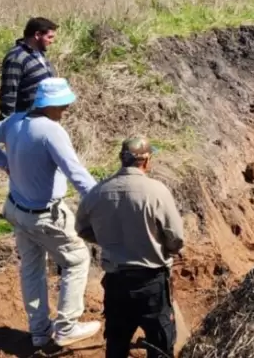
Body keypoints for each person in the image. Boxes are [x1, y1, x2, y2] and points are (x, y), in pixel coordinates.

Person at [0, 77, 101, 348]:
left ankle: (40, 332)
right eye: (62, 105)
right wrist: (104, 202)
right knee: (77, 259)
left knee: (32, 268)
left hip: (17, 210)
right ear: (49, 104)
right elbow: (75, 172)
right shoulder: (51, 131)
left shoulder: (15, 121)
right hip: (44, 215)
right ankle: (66, 327)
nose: (65, 109)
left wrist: (5, 164)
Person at [76, 136, 185, 358]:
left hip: (116, 283)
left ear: (121, 159)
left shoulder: (97, 193)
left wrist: (109, 241)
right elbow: (175, 238)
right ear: (146, 161)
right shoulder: (157, 191)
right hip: (152, 283)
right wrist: (162, 246)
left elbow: (82, 229)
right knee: (160, 343)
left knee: (116, 343)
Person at [0, 17, 59, 120]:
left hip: (44, 121)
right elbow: (8, 95)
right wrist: (8, 126)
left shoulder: (39, 54)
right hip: (25, 124)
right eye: (49, 37)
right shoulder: (16, 58)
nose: (52, 41)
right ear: (37, 35)